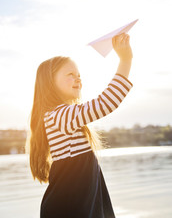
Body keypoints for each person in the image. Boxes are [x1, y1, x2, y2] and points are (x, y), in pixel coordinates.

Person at [27, 32, 134, 218]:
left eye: (79, 75)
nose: (78, 79)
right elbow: (106, 103)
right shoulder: (58, 116)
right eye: (70, 74)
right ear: (50, 83)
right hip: (67, 209)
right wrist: (126, 59)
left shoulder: (64, 116)